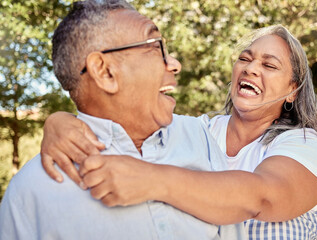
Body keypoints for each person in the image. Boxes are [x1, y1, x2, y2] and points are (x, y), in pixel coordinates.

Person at [41, 23, 317, 239]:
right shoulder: (199, 131)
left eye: (269, 65)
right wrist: (62, 120)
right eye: (245, 58)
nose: (251, 68)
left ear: (292, 91)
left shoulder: (305, 145)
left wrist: (153, 180)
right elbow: (129, 121)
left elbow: (262, 197)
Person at [0, 1, 245, 239]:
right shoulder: (32, 193)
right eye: (155, 46)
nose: (175, 64)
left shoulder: (199, 136)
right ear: (105, 72)